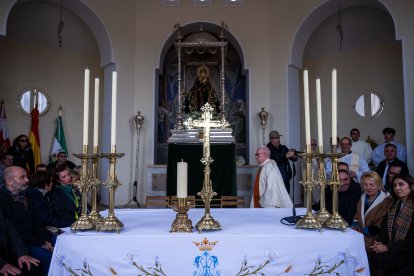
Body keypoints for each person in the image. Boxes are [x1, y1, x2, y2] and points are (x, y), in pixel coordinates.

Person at [0, 166, 53, 275]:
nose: (27, 180)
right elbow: (15, 230)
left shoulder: (28, 195)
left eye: (26, 176)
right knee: (48, 257)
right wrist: (40, 244)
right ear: (10, 181)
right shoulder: (2, 200)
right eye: (22, 177)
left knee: (58, 243)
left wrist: (46, 240)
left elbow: (37, 222)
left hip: (33, 239)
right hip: (22, 244)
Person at [369, 175, 414, 275]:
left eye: (401, 184)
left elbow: (412, 240)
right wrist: (379, 243)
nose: (397, 188)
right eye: (394, 185)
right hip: (394, 246)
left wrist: (388, 247)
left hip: (409, 251)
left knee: (381, 260)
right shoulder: (393, 205)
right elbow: (384, 229)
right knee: (374, 254)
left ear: (412, 186)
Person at [353, 172, 391, 251]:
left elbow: (381, 223)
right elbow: (357, 215)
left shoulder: (386, 200)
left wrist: (364, 231)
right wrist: (355, 226)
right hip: (359, 237)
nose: (368, 187)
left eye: (371, 184)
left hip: (375, 240)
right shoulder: (362, 197)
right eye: (365, 184)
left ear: (378, 185)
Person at [0, 207, 41, 276]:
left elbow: (11, 232)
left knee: (33, 266)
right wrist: (2, 265)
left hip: (7, 254)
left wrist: (21, 253)